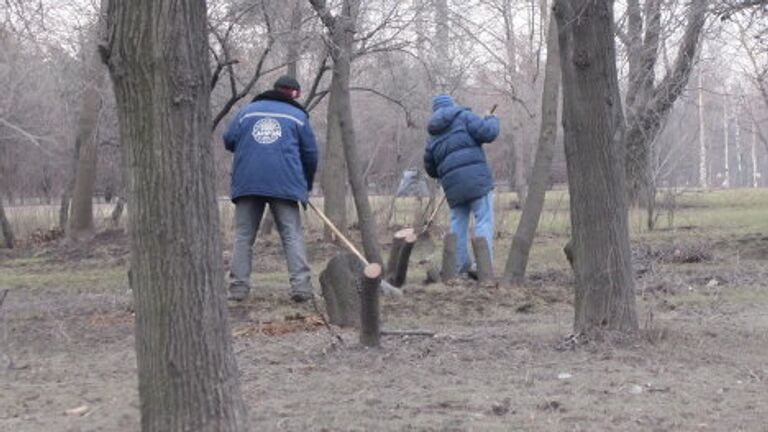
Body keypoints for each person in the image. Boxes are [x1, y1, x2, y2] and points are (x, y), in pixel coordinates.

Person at [223, 75, 318, 302]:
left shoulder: (247, 111)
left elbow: (228, 140)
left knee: (243, 236)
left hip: (248, 182)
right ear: (295, 94)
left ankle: (238, 289)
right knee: (292, 235)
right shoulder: (298, 116)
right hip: (285, 183)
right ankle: (302, 289)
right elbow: (311, 154)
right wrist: (306, 183)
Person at [423, 94, 500, 275]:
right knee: (483, 220)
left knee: (457, 223)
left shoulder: (432, 138)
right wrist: (491, 118)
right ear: (452, 105)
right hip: (477, 181)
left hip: (453, 189)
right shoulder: (464, 117)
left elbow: (431, 170)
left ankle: (458, 266)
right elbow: (488, 133)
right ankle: (482, 265)